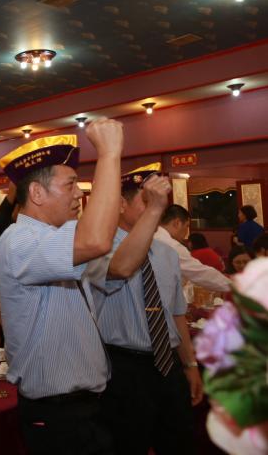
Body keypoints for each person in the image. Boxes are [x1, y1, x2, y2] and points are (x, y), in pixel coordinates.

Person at [0, 121, 124, 455]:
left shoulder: (56, 238)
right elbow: (96, 240)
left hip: (86, 405)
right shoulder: (18, 239)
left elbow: (117, 265)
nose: (79, 194)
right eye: (70, 185)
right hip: (58, 412)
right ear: (36, 194)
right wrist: (109, 154)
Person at [90, 164, 201, 454]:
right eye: (147, 200)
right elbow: (121, 268)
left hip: (168, 363)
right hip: (124, 367)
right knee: (128, 444)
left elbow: (176, 314)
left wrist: (189, 364)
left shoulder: (167, 253)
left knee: (179, 442)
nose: (156, 207)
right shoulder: (99, 250)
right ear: (121, 204)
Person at [154, 205, 231, 296]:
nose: (187, 231)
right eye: (187, 226)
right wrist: (234, 286)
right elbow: (201, 274)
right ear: (177, 223)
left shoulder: (151, 237)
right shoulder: (172, 246)